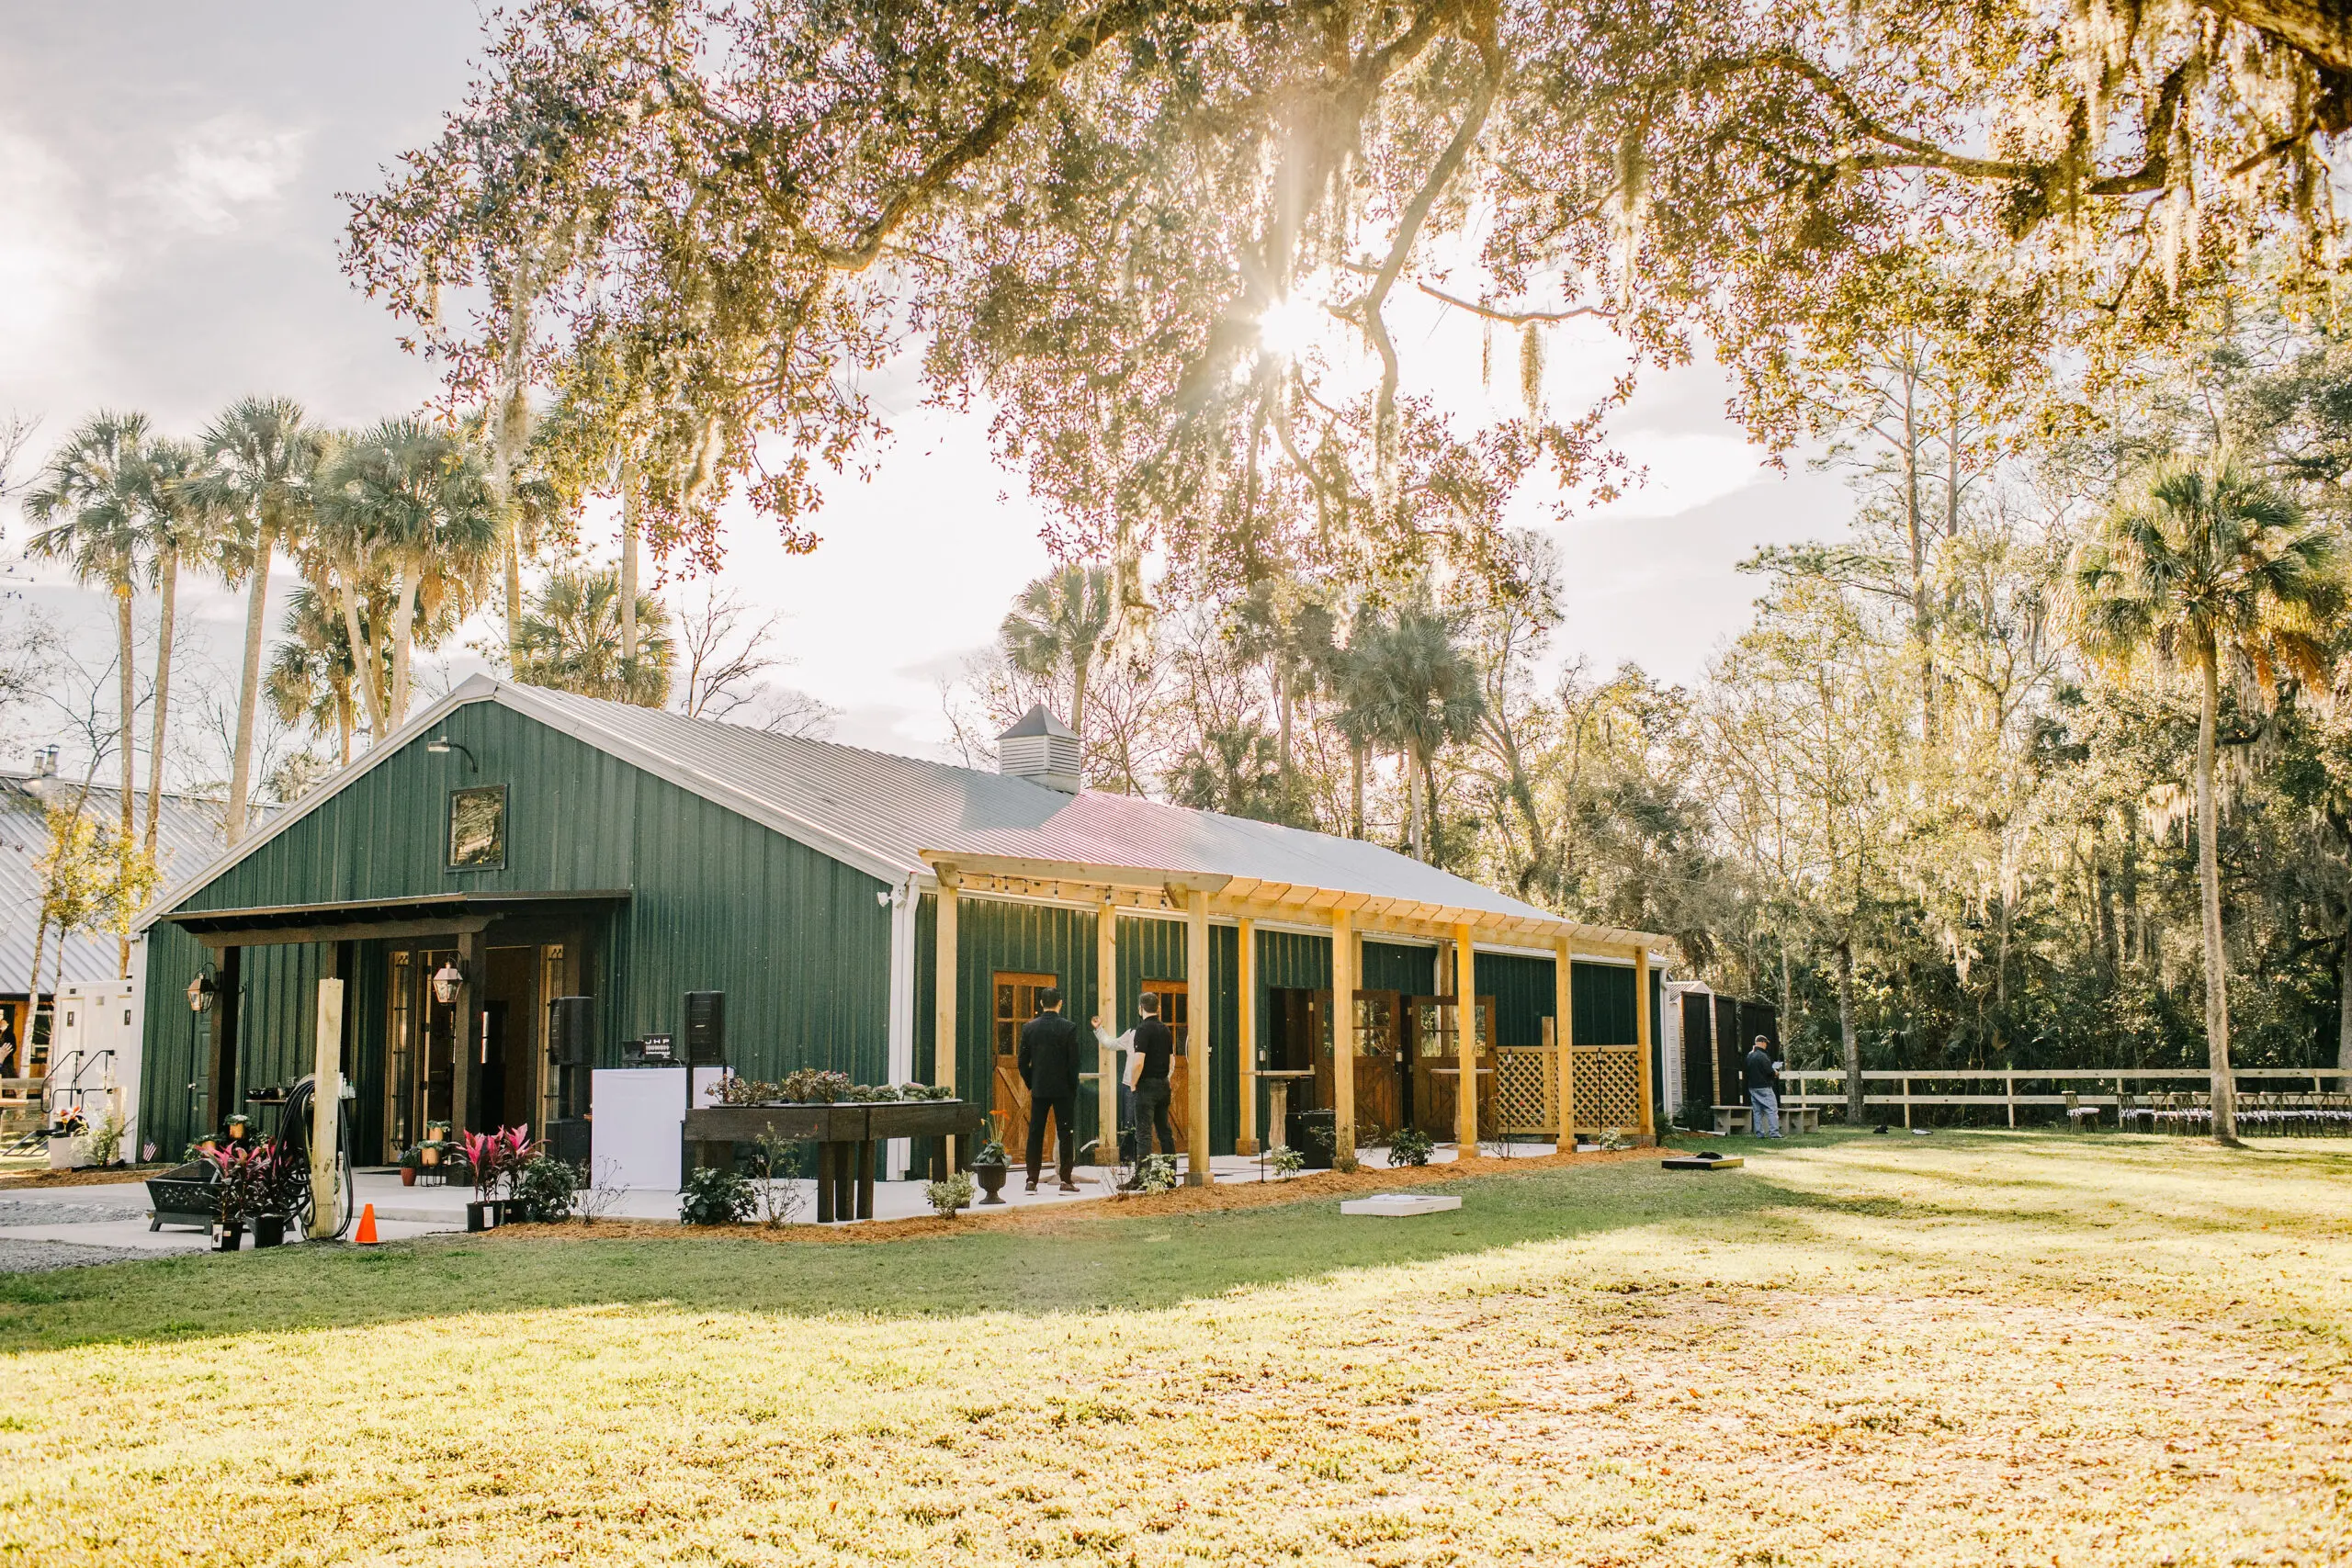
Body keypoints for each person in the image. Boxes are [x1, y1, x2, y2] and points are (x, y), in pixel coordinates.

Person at [1017, 985, 1087, 1192]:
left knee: (1035, 1133)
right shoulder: (1069, 1028)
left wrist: (1032, 1083)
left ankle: (1031, 1179)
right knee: (1065, 1133)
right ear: (1060, 1003)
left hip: (1040, 1088)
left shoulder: (1029, 1028)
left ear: (1041, 1003)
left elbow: (1022, 1062)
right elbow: (1074, 1063)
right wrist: (1072, 1086)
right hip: (1063, 1089)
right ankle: (1065, 1180)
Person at [1123, 992, 1177, 1184]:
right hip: (1163, 1084)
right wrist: (1165, 1079)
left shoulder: (1142, 1030)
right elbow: (1171, 1061)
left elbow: (1138, 1062)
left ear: (1140, 1008)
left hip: (1146, 1086)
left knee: (1143, 1133)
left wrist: (1133, 1083)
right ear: (1158, 1008)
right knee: (1165, 1132)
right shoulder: (1165, 1030)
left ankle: (1141, 1178)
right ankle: (1170, 1176)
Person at [1744, 1035, 1781, 1138]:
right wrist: (1776, 1073)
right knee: (1772, 1110)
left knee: (1757, 1112)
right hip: (1764, 1086)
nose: (1766, 1045)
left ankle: (1759, 1134)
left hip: (1753, 1087)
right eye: (1766, 1043)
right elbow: (1769, 1071)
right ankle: (1774, 1133)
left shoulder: (1749, 1055)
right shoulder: (1763, 1056)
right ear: (1763, 1042)